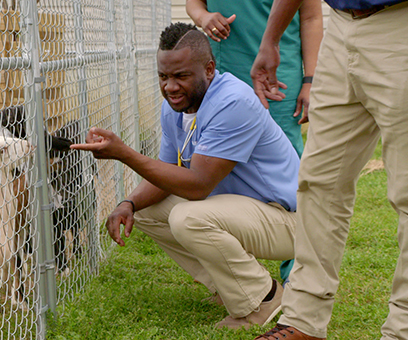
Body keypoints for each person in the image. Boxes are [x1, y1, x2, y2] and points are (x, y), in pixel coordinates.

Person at [71, 22, 300, 329]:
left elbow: (198, 185)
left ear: (209, 68)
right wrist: (128, 203)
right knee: (147, 209)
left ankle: (263, 299)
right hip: (246, 212)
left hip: (292, 220)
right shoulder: (178, 107)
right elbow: (169, 173)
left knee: (188, 217)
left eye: (181, 76)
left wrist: (125, 153)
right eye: (163, 77)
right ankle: (231, 287)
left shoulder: (232, 102)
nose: (170, 87)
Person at [249, 1, 408, 339]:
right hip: (339, 26)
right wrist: (271, 39)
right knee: (319, 182)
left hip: (400, 24)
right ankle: (303, 320)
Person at [186, 0, 323, 284]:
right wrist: (204, 16)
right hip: (222, 73)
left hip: (277, 79)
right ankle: (241, 277)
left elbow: (310, 18)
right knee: (220, 174)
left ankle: (297, 277)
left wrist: (311, 80)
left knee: (290, 180)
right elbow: (193, 3)